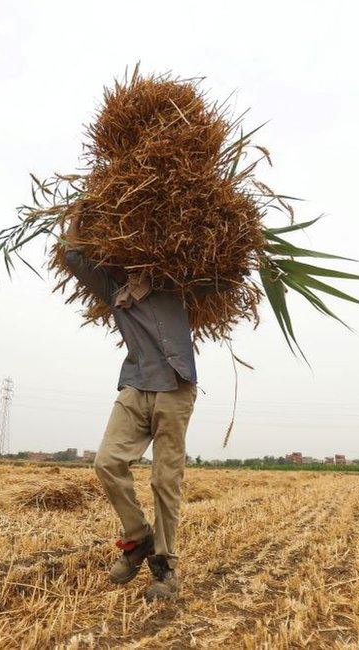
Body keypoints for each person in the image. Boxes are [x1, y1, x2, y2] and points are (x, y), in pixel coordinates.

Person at [62, 215, 228, 601]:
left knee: (164, 480)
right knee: (106, 462)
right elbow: (73, 257)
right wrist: (78, 218)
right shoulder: (114, 287)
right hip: (136, 384)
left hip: (175, 385)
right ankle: (138, 537)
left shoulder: (179, 284)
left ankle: (165, 567)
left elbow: (222, 273)